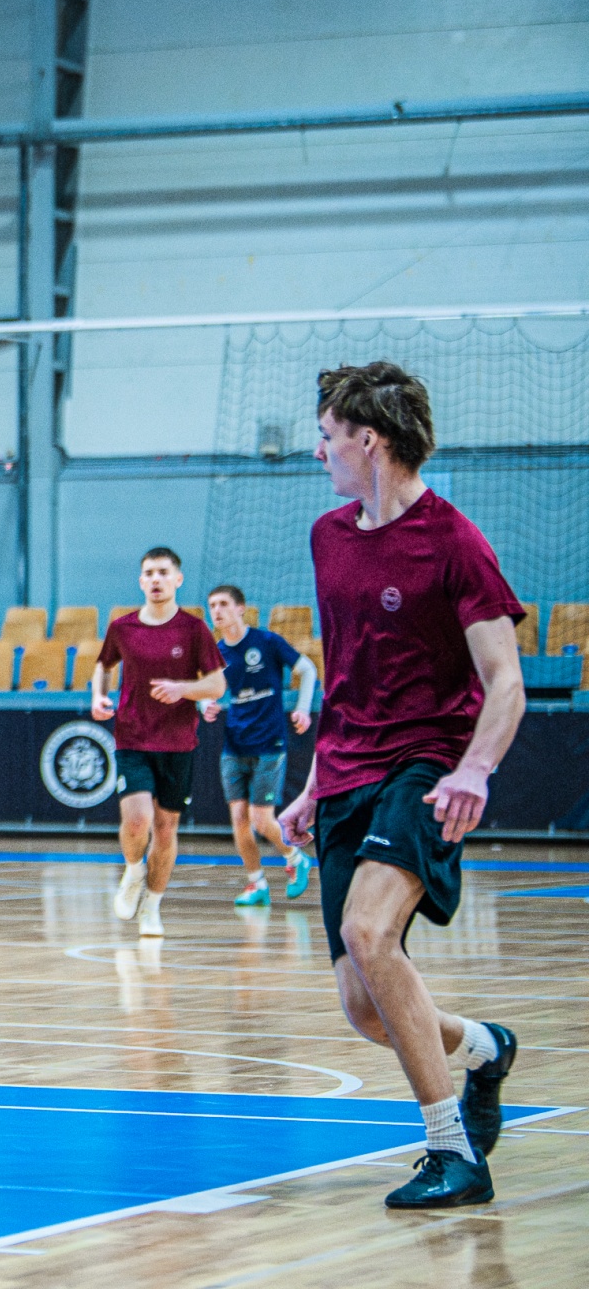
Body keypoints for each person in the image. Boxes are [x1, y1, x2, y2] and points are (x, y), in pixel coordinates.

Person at [278, 362, 524, 1210]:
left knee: (369, 932)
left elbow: (505, 681)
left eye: (328, 436)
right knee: (363, 1004)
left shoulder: (454, 542)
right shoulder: (328, 537)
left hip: (425, 767)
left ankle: (453, 1152)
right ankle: (485, 1048)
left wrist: (474, 769)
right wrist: (313, 787)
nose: (319, 451)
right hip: (346, 771)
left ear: (369, 440)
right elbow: (349, 678)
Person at [91, 547, 226, 939]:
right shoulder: (122, 627)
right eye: (149, 573)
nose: (156, 579)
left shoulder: (194, 630)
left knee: (165, 830)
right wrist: (98, 695)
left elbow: (217, 684)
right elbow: (103, 665)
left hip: (178, 742)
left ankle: (152, 906)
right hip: (132, 737)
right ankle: (134, 870)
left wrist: (183, 688)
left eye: (163, 572)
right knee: (137, 820)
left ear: (178, 579)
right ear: (140, 580)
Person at [201, 583, 317, 907]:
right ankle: (257, 883)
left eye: (223, 604)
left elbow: (308, 670)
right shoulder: (217, 654)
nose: (217, 611)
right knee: (239, 819)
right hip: (234, 745)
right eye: (212, 605)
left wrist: (303, 708)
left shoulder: (266, 642)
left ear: (240, 609)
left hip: (269, 743)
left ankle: (295, 858)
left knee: (261, 819)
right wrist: (206, 705)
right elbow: (207, 692)